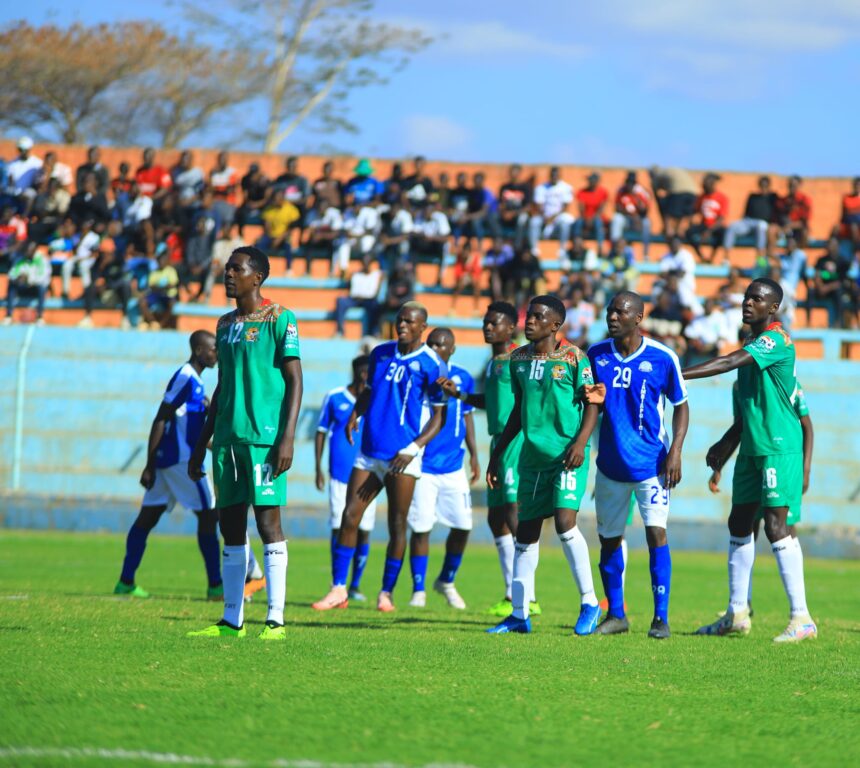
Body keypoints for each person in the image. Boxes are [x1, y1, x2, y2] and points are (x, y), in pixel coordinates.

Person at [684, 278, 817, 642]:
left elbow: (728, 362)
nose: (748, 303)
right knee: (739, 522)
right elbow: (747, 410)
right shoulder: (752, 344)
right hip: (752, 448)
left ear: (772, 308)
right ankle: (737, 613)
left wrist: (676, 374)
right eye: (746, 297)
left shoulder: (776, 340)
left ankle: (801, 617)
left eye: (757, 299)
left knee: (776, 527)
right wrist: (724, 448)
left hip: (778, 447)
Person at [187, 246, 303, 640]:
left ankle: (275, 619)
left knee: (269, 524)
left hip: (263, 440)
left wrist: (286, 437)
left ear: (258, 277)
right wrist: (202, 441)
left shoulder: (280, 318)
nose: (229, 274)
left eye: (238, 268)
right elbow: (222, 387)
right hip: (227, 441)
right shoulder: (224, 324)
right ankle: (231, 619)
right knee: (231, 529)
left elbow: (295, 381)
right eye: (227, 268)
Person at [312, 302, 446, 613]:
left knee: (397, 525)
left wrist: (412, 449)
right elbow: (369, 392)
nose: (402, 326)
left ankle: (386, 592)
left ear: (422, 327)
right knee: (349, 516)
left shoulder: (431, 364)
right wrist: (355, 414)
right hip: (370, 452)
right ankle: (338, 589)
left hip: (403, 457)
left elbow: (438, 418)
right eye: (400, 320)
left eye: (409, 322)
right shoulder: (380, 354)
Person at [486, 295, 602, 635]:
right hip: (532, 459)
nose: (529, 321)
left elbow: (593, 403)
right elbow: (517, 410)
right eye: (528, 315)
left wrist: (581, 443)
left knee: (566, 523)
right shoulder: (518, 360)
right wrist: (498, 453)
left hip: (567, 456)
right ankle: (519, 614)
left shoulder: (574, 358)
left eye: (538, 317)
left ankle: (590, 603)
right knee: (525, 533)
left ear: (555, 325)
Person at [587, 291, 689, 639]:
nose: (612, 316)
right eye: (609, 310)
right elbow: (589, 407)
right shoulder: (596, 354)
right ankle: (616, 615)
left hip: (652, 466)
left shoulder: (663, 357)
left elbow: (681, 406)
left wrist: (675, 451)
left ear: (639, 317)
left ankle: (661, 618)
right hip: (610, 467)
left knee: (655, 534)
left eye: (620, 311)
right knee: (609, 540)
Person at [438, 302, 541, 617]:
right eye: (485, 322)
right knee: (496, 517)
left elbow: (528, 400)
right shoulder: (493, 363)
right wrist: (462, 396)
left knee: (513, 511)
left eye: (494, 323)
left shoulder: (518, 358)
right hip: (499, 439)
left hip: (515, 440)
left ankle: (528, 596)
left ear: (510, 328)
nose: (487, 327)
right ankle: (512, 592)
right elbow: (494, 401)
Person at [114, 332, 224, 599]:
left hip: (170, 460)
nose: (216, 355)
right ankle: (216, 586)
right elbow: (161, 417)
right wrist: (148, 464)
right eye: (213, 350)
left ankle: (126, 582)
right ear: (199, 350)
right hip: (181, 461)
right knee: (209, 515)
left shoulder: (195, 382)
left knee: (147, 518)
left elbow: (188, 426)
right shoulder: (185, 376)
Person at [707, 380, 814, 616]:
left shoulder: (786, 383)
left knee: (782, 528)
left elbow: (807, 425)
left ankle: (799, 612)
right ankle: (742, 603)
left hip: (779, 459)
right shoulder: (738, 386)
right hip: (752, 461)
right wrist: (719, 465)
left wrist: (805, 471)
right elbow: (742, 425)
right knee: (746, 527)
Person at [406, 328, 480, 610]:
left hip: (453, 465)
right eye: (432, 343)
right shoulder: (422, 374)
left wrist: (474, 455)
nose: (437, 348)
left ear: (453, 349)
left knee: (463, 526)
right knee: (421, 527)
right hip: (423, 465)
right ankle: (418, 588)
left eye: (443, 344)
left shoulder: (462, 377)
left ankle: (446, 580)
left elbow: (468, 417)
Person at [315, 356, 377, 601]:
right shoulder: (335, 397)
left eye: (368, 372)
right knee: (339, 525)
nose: (365, 376)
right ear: (354, 371)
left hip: (367, 474)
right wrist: (318, 467)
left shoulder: (374, 398)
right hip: (339, 474)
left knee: (364, 529)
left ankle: (356, 584)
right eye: (361, 371)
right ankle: (336, 581)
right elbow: (320, 432)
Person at [723, 175, 777, 259]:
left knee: (761, 226)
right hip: (748, 222)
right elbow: (746, 213)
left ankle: (760, 258)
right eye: (762, 185)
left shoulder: (773, 197)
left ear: (768, 186)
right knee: (732, 226)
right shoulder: (752, 197)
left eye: (765, 185)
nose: (763, 187)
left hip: (763, 224)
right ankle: (726, 258)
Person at [2, 242, 50, 325]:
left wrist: (29, 279)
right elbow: (12, 274)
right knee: (12, 286)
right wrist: (18, 278)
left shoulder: (42, 260)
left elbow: (44, 278)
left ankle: (39, 317)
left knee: (42, 288)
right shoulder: (20, 259)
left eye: (29, 251)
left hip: (35, 289)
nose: (27, 253)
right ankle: (8, 316)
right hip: (23, 288)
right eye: (26, 251)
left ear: (34, 250)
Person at [528, 166, 575, 250]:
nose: (554, 177)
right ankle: (534, 249)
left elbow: (565, 206)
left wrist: (553, 217)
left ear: (559, 176)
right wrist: (545, 216)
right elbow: (539, 204)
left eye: (556, 175)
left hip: (559, 217)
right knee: (534, 221)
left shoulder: (566, 187)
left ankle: (562, 249)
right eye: (552, 175)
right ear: (549, 175)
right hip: (544, 217)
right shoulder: (541, 188)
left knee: (565, 223)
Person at [611, 171, 652, 260]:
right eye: (628, 182)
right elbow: (617, 208)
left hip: (638, 220)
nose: (629, 185)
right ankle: (614, 249)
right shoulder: (621, 191)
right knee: (617, 219)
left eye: (632, 183)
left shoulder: (640, 191)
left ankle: (646, 254)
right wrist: (630, 215)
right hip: (626, 218)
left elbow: (645, 210)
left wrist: (638, 207)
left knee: (647, 223)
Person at [572, 172, 609, 253]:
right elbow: (581, 208)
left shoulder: (603, 192)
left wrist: (593, 218)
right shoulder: (582, 192)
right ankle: (577, 244)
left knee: (598, 223)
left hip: (597, 218)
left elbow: (601, 208)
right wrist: (586, 218)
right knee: (578, 222)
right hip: (585, 217)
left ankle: (600, 247)